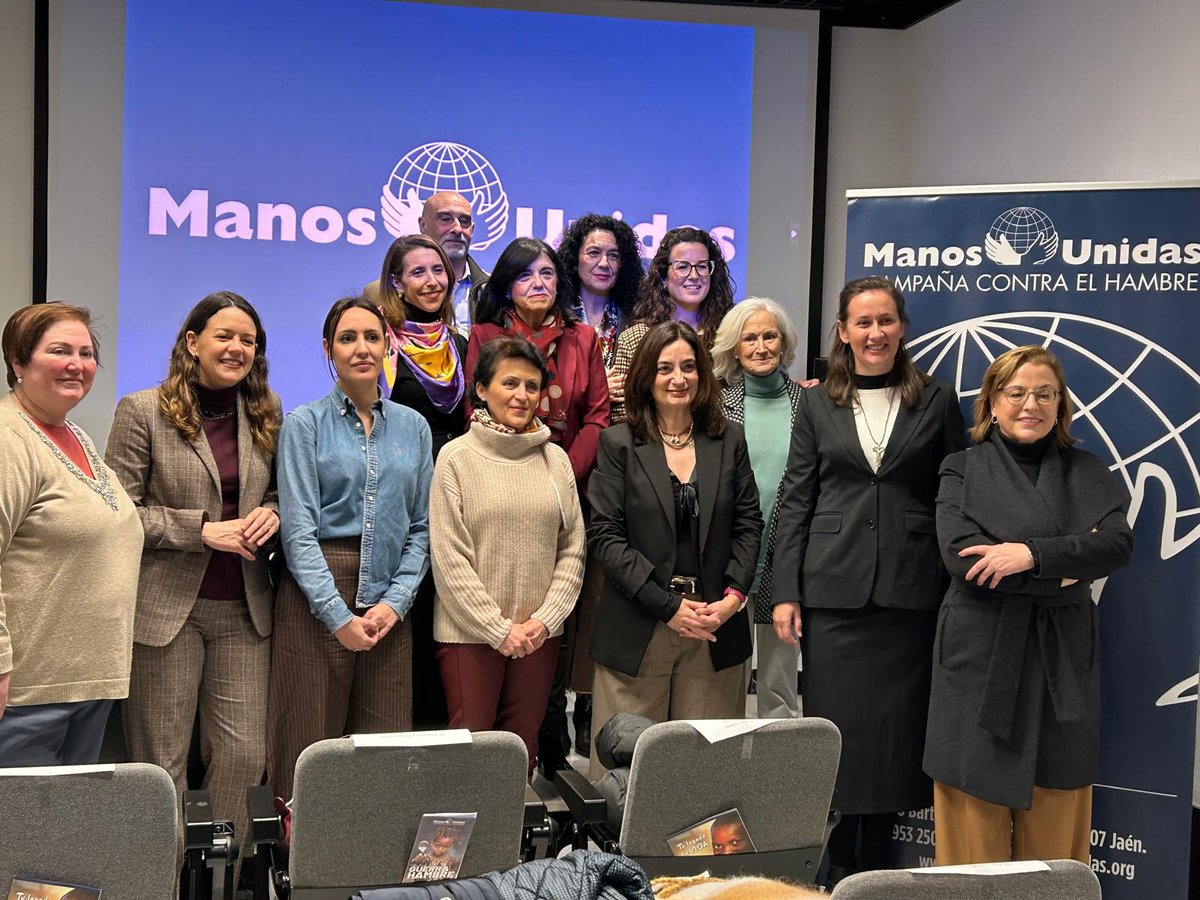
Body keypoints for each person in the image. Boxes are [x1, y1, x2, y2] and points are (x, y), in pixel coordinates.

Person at [771, 276, 964, 883]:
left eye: (885, 321)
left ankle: (872, 870)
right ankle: (839, 864)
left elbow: (951, 494)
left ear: (902, 327)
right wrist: (785, 590)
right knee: (840, 740)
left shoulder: (936, 399)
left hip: (910, 594)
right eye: (862, 322)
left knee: (893, 743)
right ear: (843, 330)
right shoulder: (816, 402)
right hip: (834, 593)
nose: (874, 333)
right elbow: (795, 498)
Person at [926, 346, 1133, 865]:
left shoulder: (1087, 470)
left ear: (1060, 406)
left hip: (1060, 656)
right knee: (972, 821)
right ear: (992, 403)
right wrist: (1062, 569)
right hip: (978, 656)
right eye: (1016, 392)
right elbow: (963, 560)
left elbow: (1116, 546)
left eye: (1045, 394)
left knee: (1057, 822)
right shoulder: (960, 468)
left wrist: (1028, 555)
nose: (1030, 405)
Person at [105, 292, 281, 864]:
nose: (236, 348)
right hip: (166, 611)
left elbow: (278, 491)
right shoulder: (142, 411)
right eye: (224, 336)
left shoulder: (266, 413)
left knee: (243, 753)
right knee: (162, 761)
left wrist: (273, 512)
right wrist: (201, 529)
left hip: (244, 611)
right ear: (192, 343)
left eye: (247, 340)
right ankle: (166, 876)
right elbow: (119, 513)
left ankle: (217, 878)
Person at [268, 296, 433, 801]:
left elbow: (422, 529)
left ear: (389, 346)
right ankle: (292, 872)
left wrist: (395, 601)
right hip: (318, 598)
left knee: (383, 755)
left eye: (371, 337)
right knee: (306, 751)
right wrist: (337, 615)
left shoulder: (415, 427)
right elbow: (296, 532)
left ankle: (369, 868)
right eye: (347, 338)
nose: (361, 348)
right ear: (328, 350)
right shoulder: (304, 424)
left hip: (389, 602)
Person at [588, 321, 762, 779]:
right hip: (639, 628)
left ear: (703, 374)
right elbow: (605, 536)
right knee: (626, 779)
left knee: (705, 777)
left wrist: (732, 600)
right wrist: (666, 607)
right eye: (665, 368)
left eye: (688, 366)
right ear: (646, 376)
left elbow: (748, 525)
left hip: (714, 628)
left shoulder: (730, 440)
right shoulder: (618, 443)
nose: (677, 378)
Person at [466, 237, 609, 773]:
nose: (539, 284)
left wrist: (561, 472)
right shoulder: (483, 337)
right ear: (506, 284)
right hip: (496, 495)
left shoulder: (583, 339)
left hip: (563, 489)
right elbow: (472, 415)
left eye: (548, 274)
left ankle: (549, 755)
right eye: (526, 276)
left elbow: (597, 416)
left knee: (557, 629)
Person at [429, 336, 585, 774]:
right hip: (470, 637)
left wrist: (544, 621)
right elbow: (449, 557)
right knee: (471, 757)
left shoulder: (554, 459)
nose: (522, 396)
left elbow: (572, 547)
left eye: (532, 386)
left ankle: (512, 844)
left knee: (522, 753)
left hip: (539, 635)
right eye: (510, 383)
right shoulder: (455, 458)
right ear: (481, 389)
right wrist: (498, 630)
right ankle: (467, 847)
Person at [0, 303, 142, 765]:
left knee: (64, 834)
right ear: (18, 363)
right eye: (59, 350)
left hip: (86, 685)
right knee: (22, 834)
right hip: (26, 694)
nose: (76, 364)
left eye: (85, 353)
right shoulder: (9, 440)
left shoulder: (73, 434)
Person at [552, 213, 645, 758]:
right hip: (562, 458)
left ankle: (591, 712)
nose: (604, 263)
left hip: (620, 467)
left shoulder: (632, 321)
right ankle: (548, 719)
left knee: (600, 594)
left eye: (613, 255)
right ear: (575, 259)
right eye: (593, 253)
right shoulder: (554, 317)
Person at [376, 234, 468, 727]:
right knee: (408, 612)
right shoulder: (382, 344)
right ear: (396, 283)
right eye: (418, 272)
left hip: (458, 495)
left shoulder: (462, 344)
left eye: (438, 271)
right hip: (403, 496)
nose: (432, 281)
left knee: (446, 619)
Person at [713, 298, 805, 719]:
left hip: (787, 560)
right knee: (722, 681)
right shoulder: (715, 408)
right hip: (730, 559)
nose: (761, 346)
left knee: (780, 685)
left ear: (783, 343)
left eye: (770, 336)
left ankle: (777, 778)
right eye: (750, 337)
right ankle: (724, 775)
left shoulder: (810, 406)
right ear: (734, 347)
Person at [609, 227, 735, 422]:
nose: (694, 275)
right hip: (654, 445)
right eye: (682, 266)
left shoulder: (730, 332)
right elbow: (623, 412)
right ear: (663, 278)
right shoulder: (636, 338)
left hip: (720, 442)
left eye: (702, 266)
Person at [368, 190, 490, 333]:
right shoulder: (379, 293)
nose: (457, 229)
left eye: (464, 221)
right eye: (445, 219)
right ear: (423, 225)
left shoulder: (494, 290)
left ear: (472, 230)